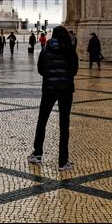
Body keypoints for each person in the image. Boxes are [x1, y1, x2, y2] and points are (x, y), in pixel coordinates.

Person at [28, 26, 78, 171]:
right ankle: (63, 162)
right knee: (64, 125)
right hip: (66, 90)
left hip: (49, 89)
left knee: (42, 121)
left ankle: (37, 154)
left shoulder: (46, 49)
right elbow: (74, 70)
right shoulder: (70, 50)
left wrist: (51, 75)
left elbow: (40, 70)